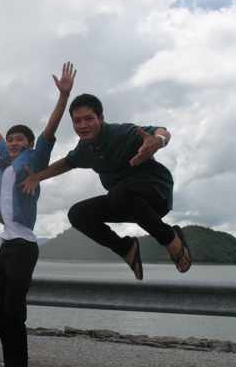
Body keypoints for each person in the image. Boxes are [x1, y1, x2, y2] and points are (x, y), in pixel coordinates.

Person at [0, 63, 76, 367]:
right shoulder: (6, 160)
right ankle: (9, 364)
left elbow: (49, 132)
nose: (13, 143)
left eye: (20, 139)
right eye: (11, 139)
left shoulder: (34, 159)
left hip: (24, 245)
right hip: (7, 243)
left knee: (13, 310)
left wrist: (63, 97)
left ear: (30, 145)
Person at [21, 93, 192, 280]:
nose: (83, 125)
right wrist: (37, 177)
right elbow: (67, 163)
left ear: (101, 118)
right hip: (126, 203)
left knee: (119, 193)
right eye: (77, 121)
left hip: (157, 194)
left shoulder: (121, 133)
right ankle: (126, 248)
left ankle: (170, 239)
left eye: (89, 118)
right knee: (77, 214)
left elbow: (162, 131)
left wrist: (158, 141)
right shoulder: (85, 148)